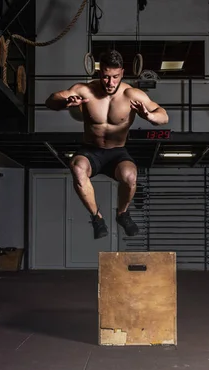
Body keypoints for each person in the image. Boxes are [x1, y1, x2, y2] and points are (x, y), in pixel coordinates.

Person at [45, 49, 169, 239]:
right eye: (105, 76)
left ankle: (122, 214)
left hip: (116, 152)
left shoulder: (132, 94)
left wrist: (149, 116)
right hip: (90, 151)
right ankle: (97, 218)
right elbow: (51, 101)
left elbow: (164, 116)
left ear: (122, 72)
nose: (110, 82)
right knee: (77, 169)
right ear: (99, 72)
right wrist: (65, 103)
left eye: (115, 77)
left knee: (130, 177)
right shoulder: (84, 90)